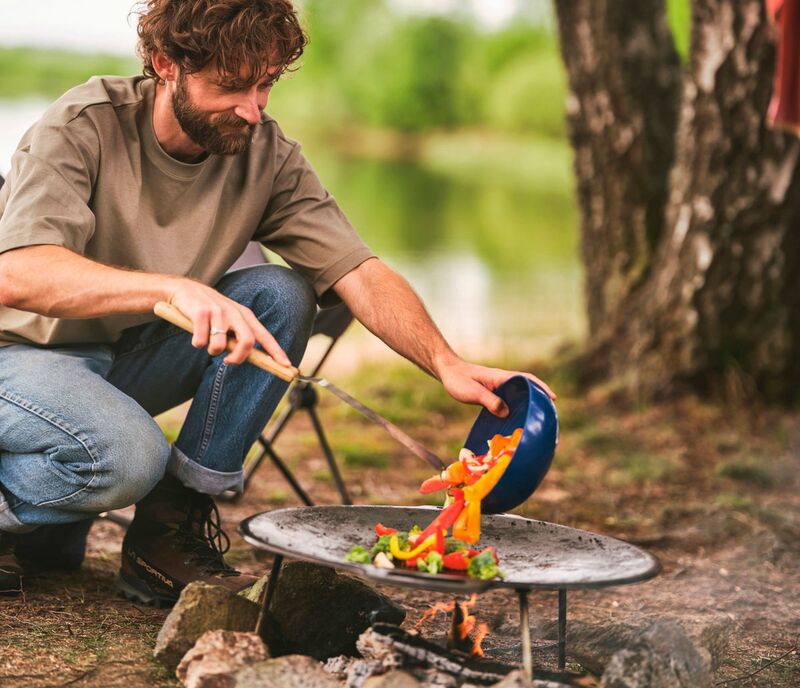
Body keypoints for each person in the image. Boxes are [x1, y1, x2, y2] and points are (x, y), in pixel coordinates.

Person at [0, 0, 553, 603]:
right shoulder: (83, 124)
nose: (252, 108)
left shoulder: (263, 153)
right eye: (231, 85)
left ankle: (168, 528)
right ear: (166, 64)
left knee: (282, 294)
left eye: (264, 85)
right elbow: (18, 272)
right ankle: (43, 506)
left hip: (121, 359)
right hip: (19, 355)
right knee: (129, 457)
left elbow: (358, 270)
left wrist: (446, 362)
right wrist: (169, 288)